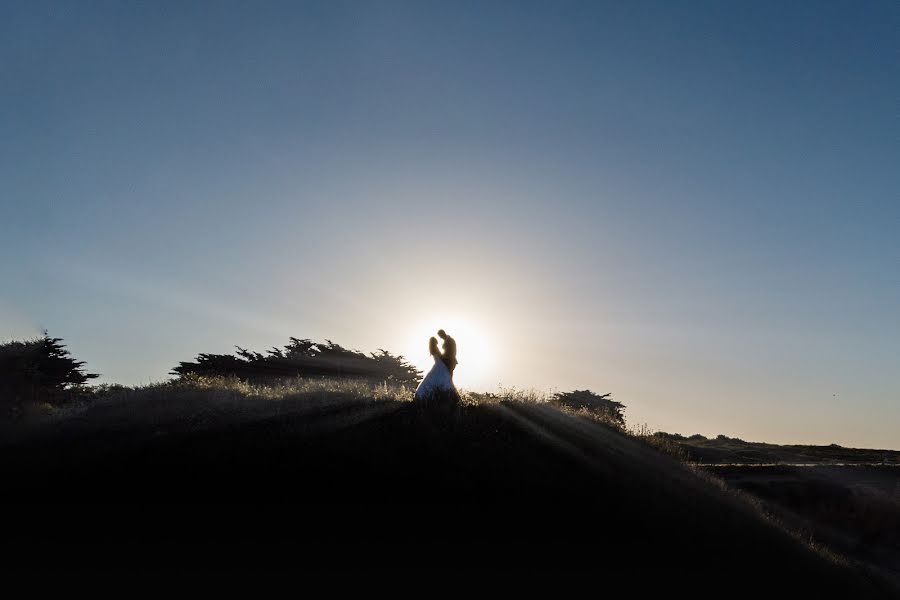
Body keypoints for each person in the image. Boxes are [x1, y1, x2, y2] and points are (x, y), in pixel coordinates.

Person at [414, 330, 459, 403]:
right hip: (443, 363)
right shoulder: (437, 347)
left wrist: (445, 359)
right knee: (447, 378)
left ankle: (448, 394)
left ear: (443, 333)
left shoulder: (451, 340)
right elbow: (441, 355)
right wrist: (443, 359)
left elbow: (452, 352)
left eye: (440, 336)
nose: (440, 338)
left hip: (449, 362)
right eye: (439, 337)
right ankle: (447, 394)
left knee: (448, 378)